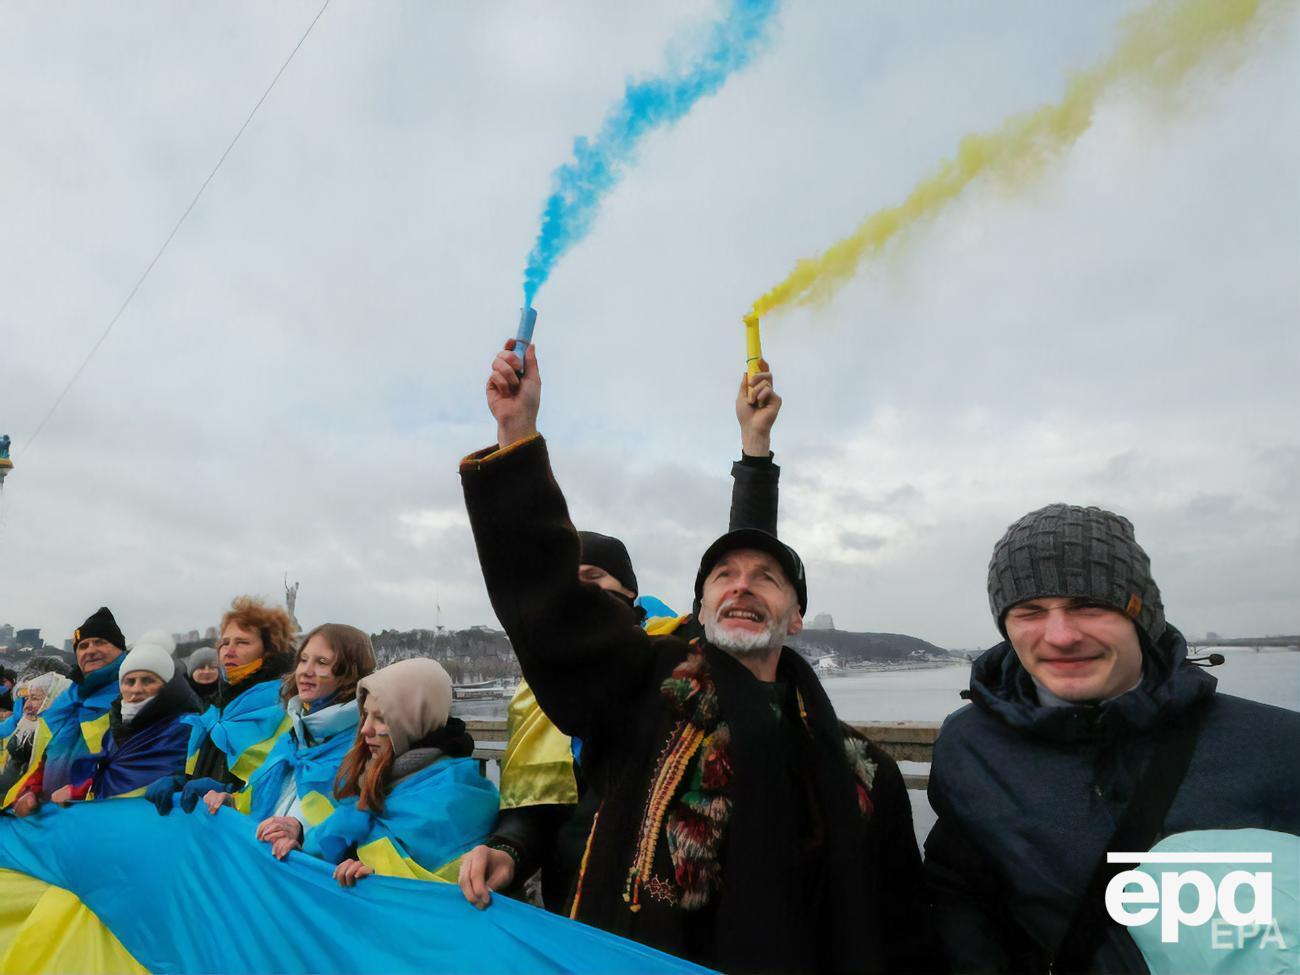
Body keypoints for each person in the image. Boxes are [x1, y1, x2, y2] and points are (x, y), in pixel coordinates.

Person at [458, 342, 936, 974]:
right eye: (723, 577)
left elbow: (898, 927)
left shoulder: (860, 775)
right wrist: (516, 434)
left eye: (765, 579)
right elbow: (552, 604)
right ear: (700, 611)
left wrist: (756, 451)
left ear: (795, 617)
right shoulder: (641, 693)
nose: (741, 585)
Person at [460, 360, 786, 914]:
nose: (580, 601)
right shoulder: (567, 682)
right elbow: (543, 806)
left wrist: (755, 449)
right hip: (588, 896)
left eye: (595, 584)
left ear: (631, 596)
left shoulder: (677, 664)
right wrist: (510, 845)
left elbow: (741, 581)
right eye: (573, 588)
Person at [924, 504, 1300, 973]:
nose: (1059, 636)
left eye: (1088, 605)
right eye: (1030, 612)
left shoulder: (1278, 746)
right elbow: (959, 898)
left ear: (1141, 614)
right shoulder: (971, 745)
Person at [297, 657, 499, 886]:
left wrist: (366, 875)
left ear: (413, 719)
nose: (365, 729)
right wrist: (298, 832)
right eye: (365, 715)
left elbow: (428, 890)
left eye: (381, 718)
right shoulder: (380, 776)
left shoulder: (453, 799)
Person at [202, 623, 375, 860]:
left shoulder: (366, 742)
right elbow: (263, 797)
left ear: (350, 673)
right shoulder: (292, 736)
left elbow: (361, 820)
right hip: (264, 870)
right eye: (303, 660)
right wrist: (231, 803)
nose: (306, 671)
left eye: (322, 662)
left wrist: (301, 832)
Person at [145, 596, 295, 815]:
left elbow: (279, 785)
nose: (229, 650)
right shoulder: (217, 708)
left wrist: (228, 793)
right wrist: (180, 782)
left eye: (242, 642)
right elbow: (204, 768)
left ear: (269, 649)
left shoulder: (283, 706)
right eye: (225, 642)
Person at [44, 635, 202, 803]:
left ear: (166, 684)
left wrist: (180, 784)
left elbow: (207, 781)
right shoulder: (113, 732)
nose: (137, 689)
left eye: (148, 680)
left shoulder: (190, 729)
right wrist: (78, 791)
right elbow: (108, 778)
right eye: (130, 682)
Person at [5, 607, 127, 812]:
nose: (90, 650)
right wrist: (31, 789)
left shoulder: (133, 692)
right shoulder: (65, 700)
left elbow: (138, 762)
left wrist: (79, 791)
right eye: (83, 645)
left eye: (100, 642)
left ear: (120, 649)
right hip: (55, 818)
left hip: (101, 815)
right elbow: (46, 757)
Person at [0, 672, 72, 798]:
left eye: (34, 698)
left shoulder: (60, 740)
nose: (26, 706)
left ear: (54, 700)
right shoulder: (26, 729)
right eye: (26, 699)